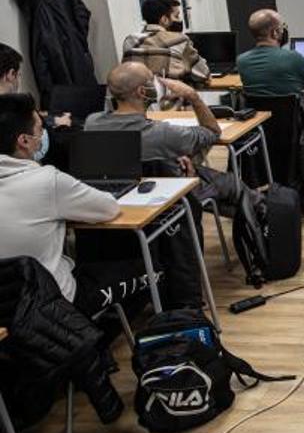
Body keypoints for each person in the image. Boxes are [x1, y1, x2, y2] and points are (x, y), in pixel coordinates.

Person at [0, 92, 165, 316]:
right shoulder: (48, 181)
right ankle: (100, 333)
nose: (43, 135)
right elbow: (108, 208)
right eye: (40, 130)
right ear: (24, 141)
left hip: (7, 306)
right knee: (152, 267)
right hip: (53, 303)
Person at [85, 62, 221, 168]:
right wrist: (193, 96)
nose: (158, 83)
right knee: (230, 183)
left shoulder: (92, 123)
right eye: (152, 79)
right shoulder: (164, 133)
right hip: (170, 195)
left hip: (120, 195)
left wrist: (170, 157)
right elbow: (212, 132)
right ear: (142, 92)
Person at [236, 8, 304, 137]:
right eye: (282, 27)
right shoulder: (293, 58)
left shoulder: (241, 60)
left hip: (261, 128)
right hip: (296, 128)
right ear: (275, 33)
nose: (284, 30)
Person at [0, 42, 70, 161]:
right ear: (11, 75)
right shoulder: (15, 108)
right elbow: (38, 149)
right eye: (18, 75)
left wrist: (52, 119)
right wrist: (62, 127)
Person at [122, 0, 211, 85]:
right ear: (164, 20)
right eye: (176, 16)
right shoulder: (180, 40)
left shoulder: (130, 40)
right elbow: (203, 74)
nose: (180, 20)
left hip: (138, 97)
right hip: (169, 96)